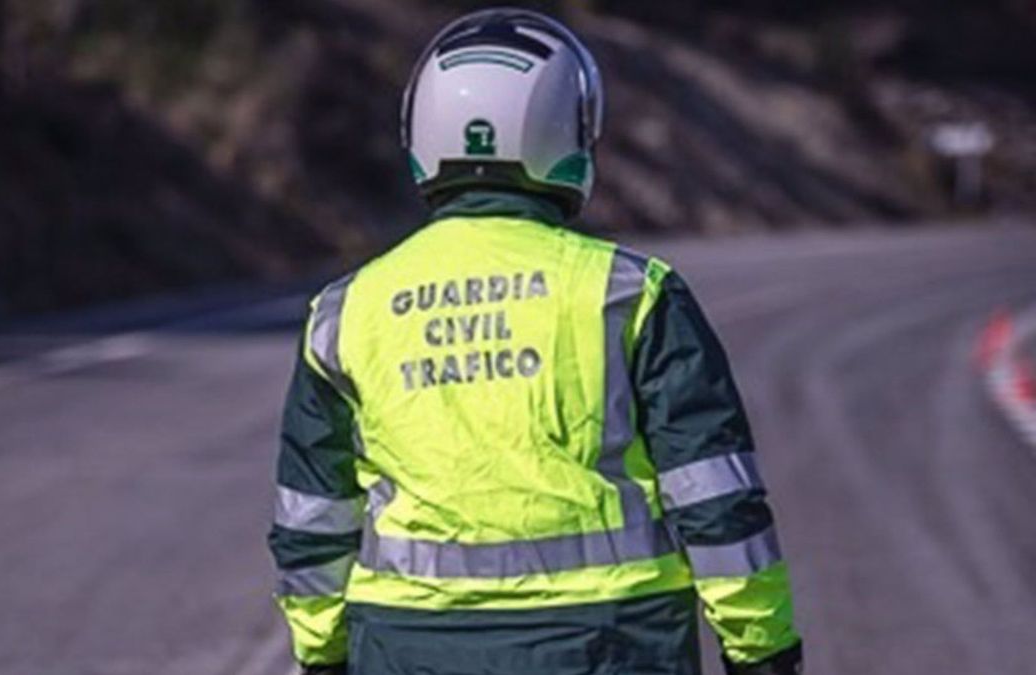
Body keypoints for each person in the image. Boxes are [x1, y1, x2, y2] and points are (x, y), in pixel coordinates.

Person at [267, 8, 802, 674]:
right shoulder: (630, 294)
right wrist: (762, 650)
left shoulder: (344, 311)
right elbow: (716, 500)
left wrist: (323, 654)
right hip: (612, 645)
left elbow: (313, 519)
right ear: (567, 132)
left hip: (409, 649)